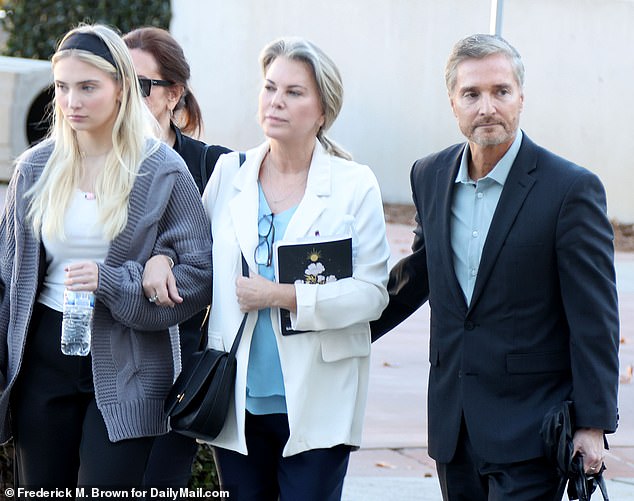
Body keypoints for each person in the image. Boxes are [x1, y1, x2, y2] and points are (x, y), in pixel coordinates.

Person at [371, 33, 620, 500]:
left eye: (500, 91)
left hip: (532, 428)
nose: (487, 107)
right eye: (472, 94)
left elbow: (595, 319)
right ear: (453, 103)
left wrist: (592, 424)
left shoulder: (571, 189)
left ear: (521, 98)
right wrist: (336, 321)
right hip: (454, 425)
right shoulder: (429, 174)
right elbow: (420, 275)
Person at [147, 36, 390, 500]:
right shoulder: (230, 173)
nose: (276, 101)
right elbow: (190, 251)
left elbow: (373, 293)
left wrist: (284, 296)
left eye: (294, 92)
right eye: (270, 87)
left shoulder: (353, 185)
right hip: (236, 396)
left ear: (322, 111)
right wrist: (162, 256)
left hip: (319, 399)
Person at [0, 24, 212, 491]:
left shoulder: (161, 169)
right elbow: (6, 278)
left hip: (129, 358)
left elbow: (199, 277)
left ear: (121, 88)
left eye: (88, 87)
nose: (71, 101)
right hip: (43, 357)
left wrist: (116, 282)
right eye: (62, 87)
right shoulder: (35, 168)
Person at [123, 26, 231, 489]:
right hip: (106, 358)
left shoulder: (216, 166)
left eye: (140, 86)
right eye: (118, 82)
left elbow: (217, 259)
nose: (126, 97)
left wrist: (165, 258)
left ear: (175, 95)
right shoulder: (94, 163)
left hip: (179, 361)